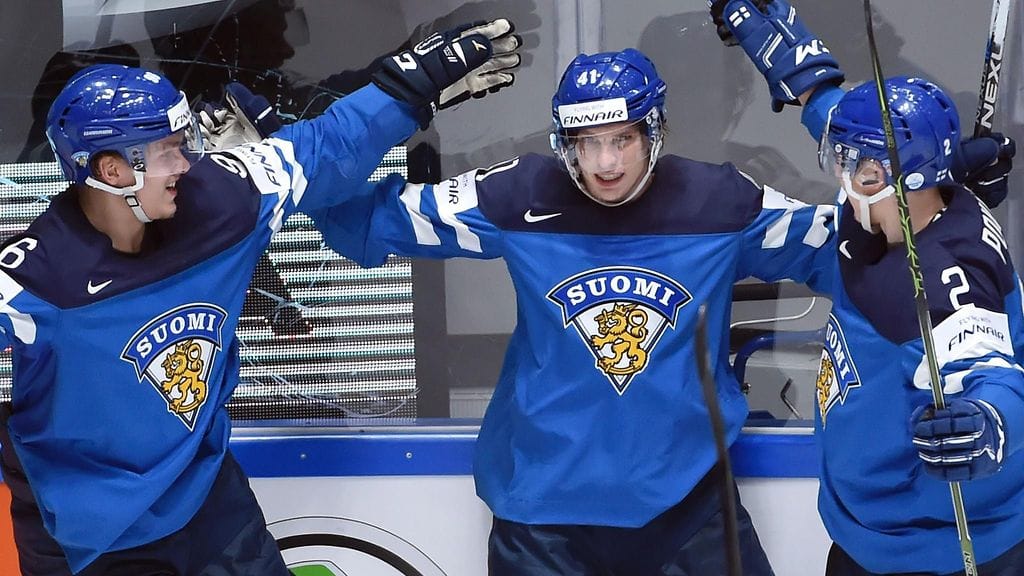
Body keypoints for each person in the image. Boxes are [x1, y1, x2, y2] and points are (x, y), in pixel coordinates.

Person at [0, 18, 520, 576]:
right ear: (113, 170)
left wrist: (410, 86)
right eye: (168, 151)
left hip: (208, 505)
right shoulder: (32, 283)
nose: (186, 163)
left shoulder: (226, 198)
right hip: (89, 537)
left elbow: (325, 146)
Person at [308, 45, 850, 575]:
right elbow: (352, 218)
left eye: (622, 139)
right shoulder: (514, 196)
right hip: (544, 520)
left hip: (689, 507)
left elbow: (863, 251)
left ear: (653, 131)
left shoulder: (722, 204)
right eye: (586, 143)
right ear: (564, 142)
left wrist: (816, 89)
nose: (606, 163)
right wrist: (399, 101)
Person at [712, 0, 1024, 573]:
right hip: (865, 536)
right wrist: (778, 45)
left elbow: (993, 373)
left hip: (938, 550)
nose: (842, 173)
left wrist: (987, 424)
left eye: (858, 166)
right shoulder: (886, 201)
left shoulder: (943, 279)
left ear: (902, 175)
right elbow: (830, 108)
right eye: (841, 158)